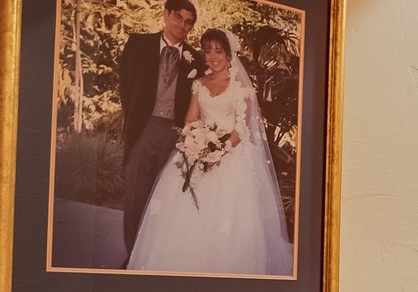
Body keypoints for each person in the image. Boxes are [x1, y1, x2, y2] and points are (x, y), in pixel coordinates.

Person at [126, 29, 294, 277]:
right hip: (197, 150)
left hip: (232, 156)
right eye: (207, 51)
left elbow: (241, 128)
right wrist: (197, 143)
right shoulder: (199, 84)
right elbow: (190, 119)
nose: (212, 57)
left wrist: (218, 151)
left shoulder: (241, 88)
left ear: (229, 55)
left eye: (218, 51)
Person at [116, 0, 199, 259]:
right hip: (145, 127)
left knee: (165, 199)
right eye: (178, 17)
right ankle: (132, 258)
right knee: (136, 195)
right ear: (165, 14)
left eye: (188, 22)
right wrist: (137, 120)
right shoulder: (138, 44)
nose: (182, 25)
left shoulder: (195, 59)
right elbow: (126, 86)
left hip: (176, 135)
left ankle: (152, 258)